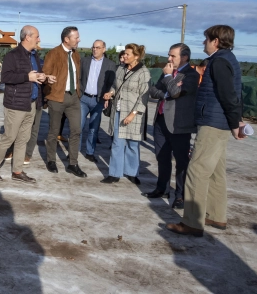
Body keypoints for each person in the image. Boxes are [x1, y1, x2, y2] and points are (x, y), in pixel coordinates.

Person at [167, 25, 244, 237]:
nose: (204, 43)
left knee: (197, 171)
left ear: (216, 41)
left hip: (212, 122)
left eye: (206, 39)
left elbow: (228, 95)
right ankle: (215, 215)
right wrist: (235, 121)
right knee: (216, 171)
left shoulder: (219, 62)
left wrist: (235, 122)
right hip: (219, 122)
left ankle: (192, 222)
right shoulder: (229, 59)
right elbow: (236, 92)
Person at [0, 25, 51, 183]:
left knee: (23, 138)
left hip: (31, 103)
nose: (39, 39)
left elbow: (34, 75)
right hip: (15, 104)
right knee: (9, 137)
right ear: (27, 37)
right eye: (37, 36)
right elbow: (7, 77)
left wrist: (43, 77)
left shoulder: (34, 55)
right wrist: (26, 77)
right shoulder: (12, 55)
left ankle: (17, 171)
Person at [144, 43, 199, 209]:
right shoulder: (168, 71)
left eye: (172, 56)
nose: (168, 59)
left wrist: (168, 80)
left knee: (181, 161)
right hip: (161, 121)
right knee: (162, 156)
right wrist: (167, 92)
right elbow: (154, 91)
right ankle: (162, 188)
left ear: (184, 57)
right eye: (169, 55)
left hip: (179, 124)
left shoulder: (191, 75)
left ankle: (181, 195)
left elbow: (177, 93)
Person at [101, 43, 151, 184]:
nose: (124, 56)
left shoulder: (143, 73)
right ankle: (114, 173)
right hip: (118, 110)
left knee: (132, 143)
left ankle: (132, 172)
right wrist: (110, 93)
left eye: (128, 54)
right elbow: (115, 86)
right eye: (124, 53)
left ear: (136, 57)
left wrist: (132, 114)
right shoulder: (121, 69)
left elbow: (144, 96)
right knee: (117, 142)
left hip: (133, 113)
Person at [42, 26, 87, 177]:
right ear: (66, 39)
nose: (79, 40)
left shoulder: (76, 54)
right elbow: (45, 73)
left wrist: (78, 93)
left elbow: (77, 74)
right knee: (54, 131)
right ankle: (51, 160)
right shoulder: (53, 53)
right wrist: (48, 79)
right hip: (56, 97)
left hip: (74, 97)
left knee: (76, 130)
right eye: (76, 37)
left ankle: (73, 164)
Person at [79, 40, 116, 163]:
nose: (95, 50)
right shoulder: (84, 61)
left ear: (104, 49)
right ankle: (75, 151)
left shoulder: (110, 65)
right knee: (78, 126)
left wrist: (108, 98)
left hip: (98, 100)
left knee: (94, 129)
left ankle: (90, 152)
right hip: (83, 98)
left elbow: (112, 84)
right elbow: (78, 78)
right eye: (93, 47)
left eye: (98, 48)